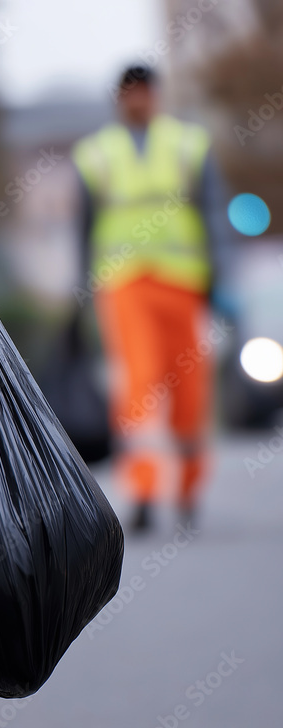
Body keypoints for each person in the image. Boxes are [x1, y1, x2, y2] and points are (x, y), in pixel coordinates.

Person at [72, 65, 231, 531]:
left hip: (183, 281)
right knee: (137, 385)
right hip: (124, 283)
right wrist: (80, 291)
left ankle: (188, 488)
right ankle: (142, 491)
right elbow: (84, 228)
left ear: (156, 95)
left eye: (144, 91)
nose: (137, 99)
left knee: (189, 386)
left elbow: (213, 214)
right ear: (119, 97)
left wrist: (221, 278)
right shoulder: (97, 154)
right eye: (130, 92)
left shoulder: (189, 145)